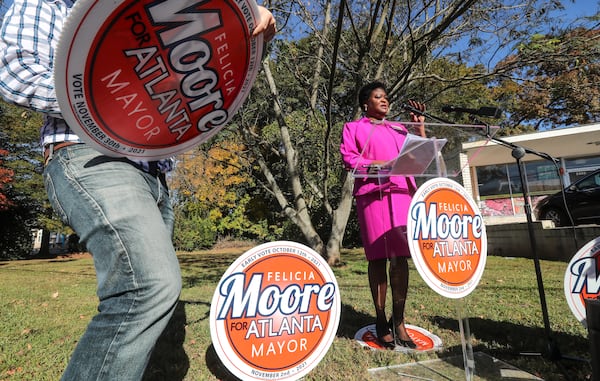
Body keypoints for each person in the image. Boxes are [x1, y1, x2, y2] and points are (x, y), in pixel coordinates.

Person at [0, 1, 276, 380]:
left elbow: (208, 81)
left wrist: (244, 26)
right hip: (87, 155)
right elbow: (15, 75)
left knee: (161, 329)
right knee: (148, 285)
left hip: (154, 173)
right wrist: (113, 95)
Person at [340, 81, 426, 349]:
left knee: (400, 258)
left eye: (386, 97)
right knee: (378, 257)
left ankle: (398, 320)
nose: (385, 101)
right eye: (378, 97)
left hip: (401, 193)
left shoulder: (400, 129)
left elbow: (420, 155)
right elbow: (350, 159)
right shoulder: (353, 128)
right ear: (366, 103)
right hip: (372, 195)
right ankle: (380, 320)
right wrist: (382, 165)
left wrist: (419, 125)